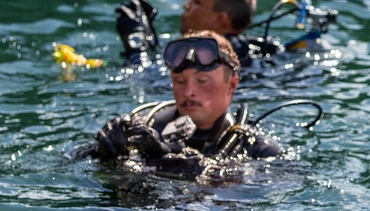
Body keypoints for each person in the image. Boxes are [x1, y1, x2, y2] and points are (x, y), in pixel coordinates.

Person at [84, 30, 282, 177]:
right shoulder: (144, 128)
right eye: (179, 81)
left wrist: (197, 173)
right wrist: (105, 152)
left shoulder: (258, 151)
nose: (188, 92)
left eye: (202, 81)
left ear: (231, 84)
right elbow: (70, 165)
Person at [116, 0, 272, 67]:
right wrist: (150, 39)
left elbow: (145, 81)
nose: (186, 5)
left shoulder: (208, 56)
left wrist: (135, 42)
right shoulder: (247, 51)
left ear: (220, 19)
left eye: (196, 2)